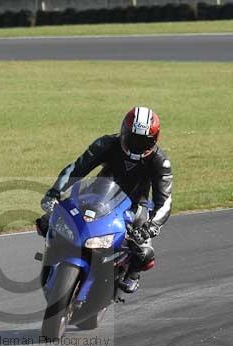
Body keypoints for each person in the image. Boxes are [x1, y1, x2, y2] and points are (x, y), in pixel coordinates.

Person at [40, 106, 173, 293]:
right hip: (96, 195)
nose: (137, 144)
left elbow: (165, 202)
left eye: (143, 141)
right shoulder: (107, 144)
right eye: (133, 138)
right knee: (49, 220)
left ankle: (131, 273)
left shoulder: (160, 162)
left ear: (154, 140)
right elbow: (76, 169)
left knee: (144, 253)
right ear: (123, 132)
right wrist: (54, 193)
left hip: (135, 206)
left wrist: (151, 226)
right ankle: (53, 257)